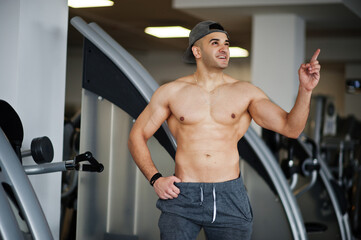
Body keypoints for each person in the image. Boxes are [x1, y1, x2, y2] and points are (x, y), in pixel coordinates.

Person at [128, 20, 321, 240]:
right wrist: (156, 179)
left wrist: (305, 90)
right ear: (197, 51)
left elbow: (291, 128)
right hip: (183, 194)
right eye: (215, 43)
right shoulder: (171, 92)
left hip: (229, 195)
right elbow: (137, 135)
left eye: (226, 43)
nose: (224, 48)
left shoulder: (245, 92)